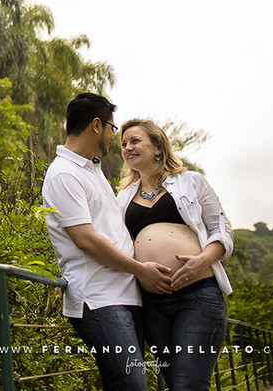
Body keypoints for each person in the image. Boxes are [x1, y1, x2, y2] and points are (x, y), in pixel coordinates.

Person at [42, 93, 173, 391]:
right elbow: (85, 239)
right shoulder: (64, 173)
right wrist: (140, 269)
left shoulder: (93, 170)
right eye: (114, 129)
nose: (116, 137)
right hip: (99, 298)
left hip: (124, 294)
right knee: (130, 385)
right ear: (97, 125)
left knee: (129, 383)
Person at [117, 118, 233, 391]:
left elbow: (222, 231)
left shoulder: (191, 182)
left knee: (188, 385)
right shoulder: (122, 197)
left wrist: (201, 261)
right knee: (174, 383)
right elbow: (111, 243)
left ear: (157, 146)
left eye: (135, 141)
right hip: (152, 302)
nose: (127, 148)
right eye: (123, 144)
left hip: (198, 295)